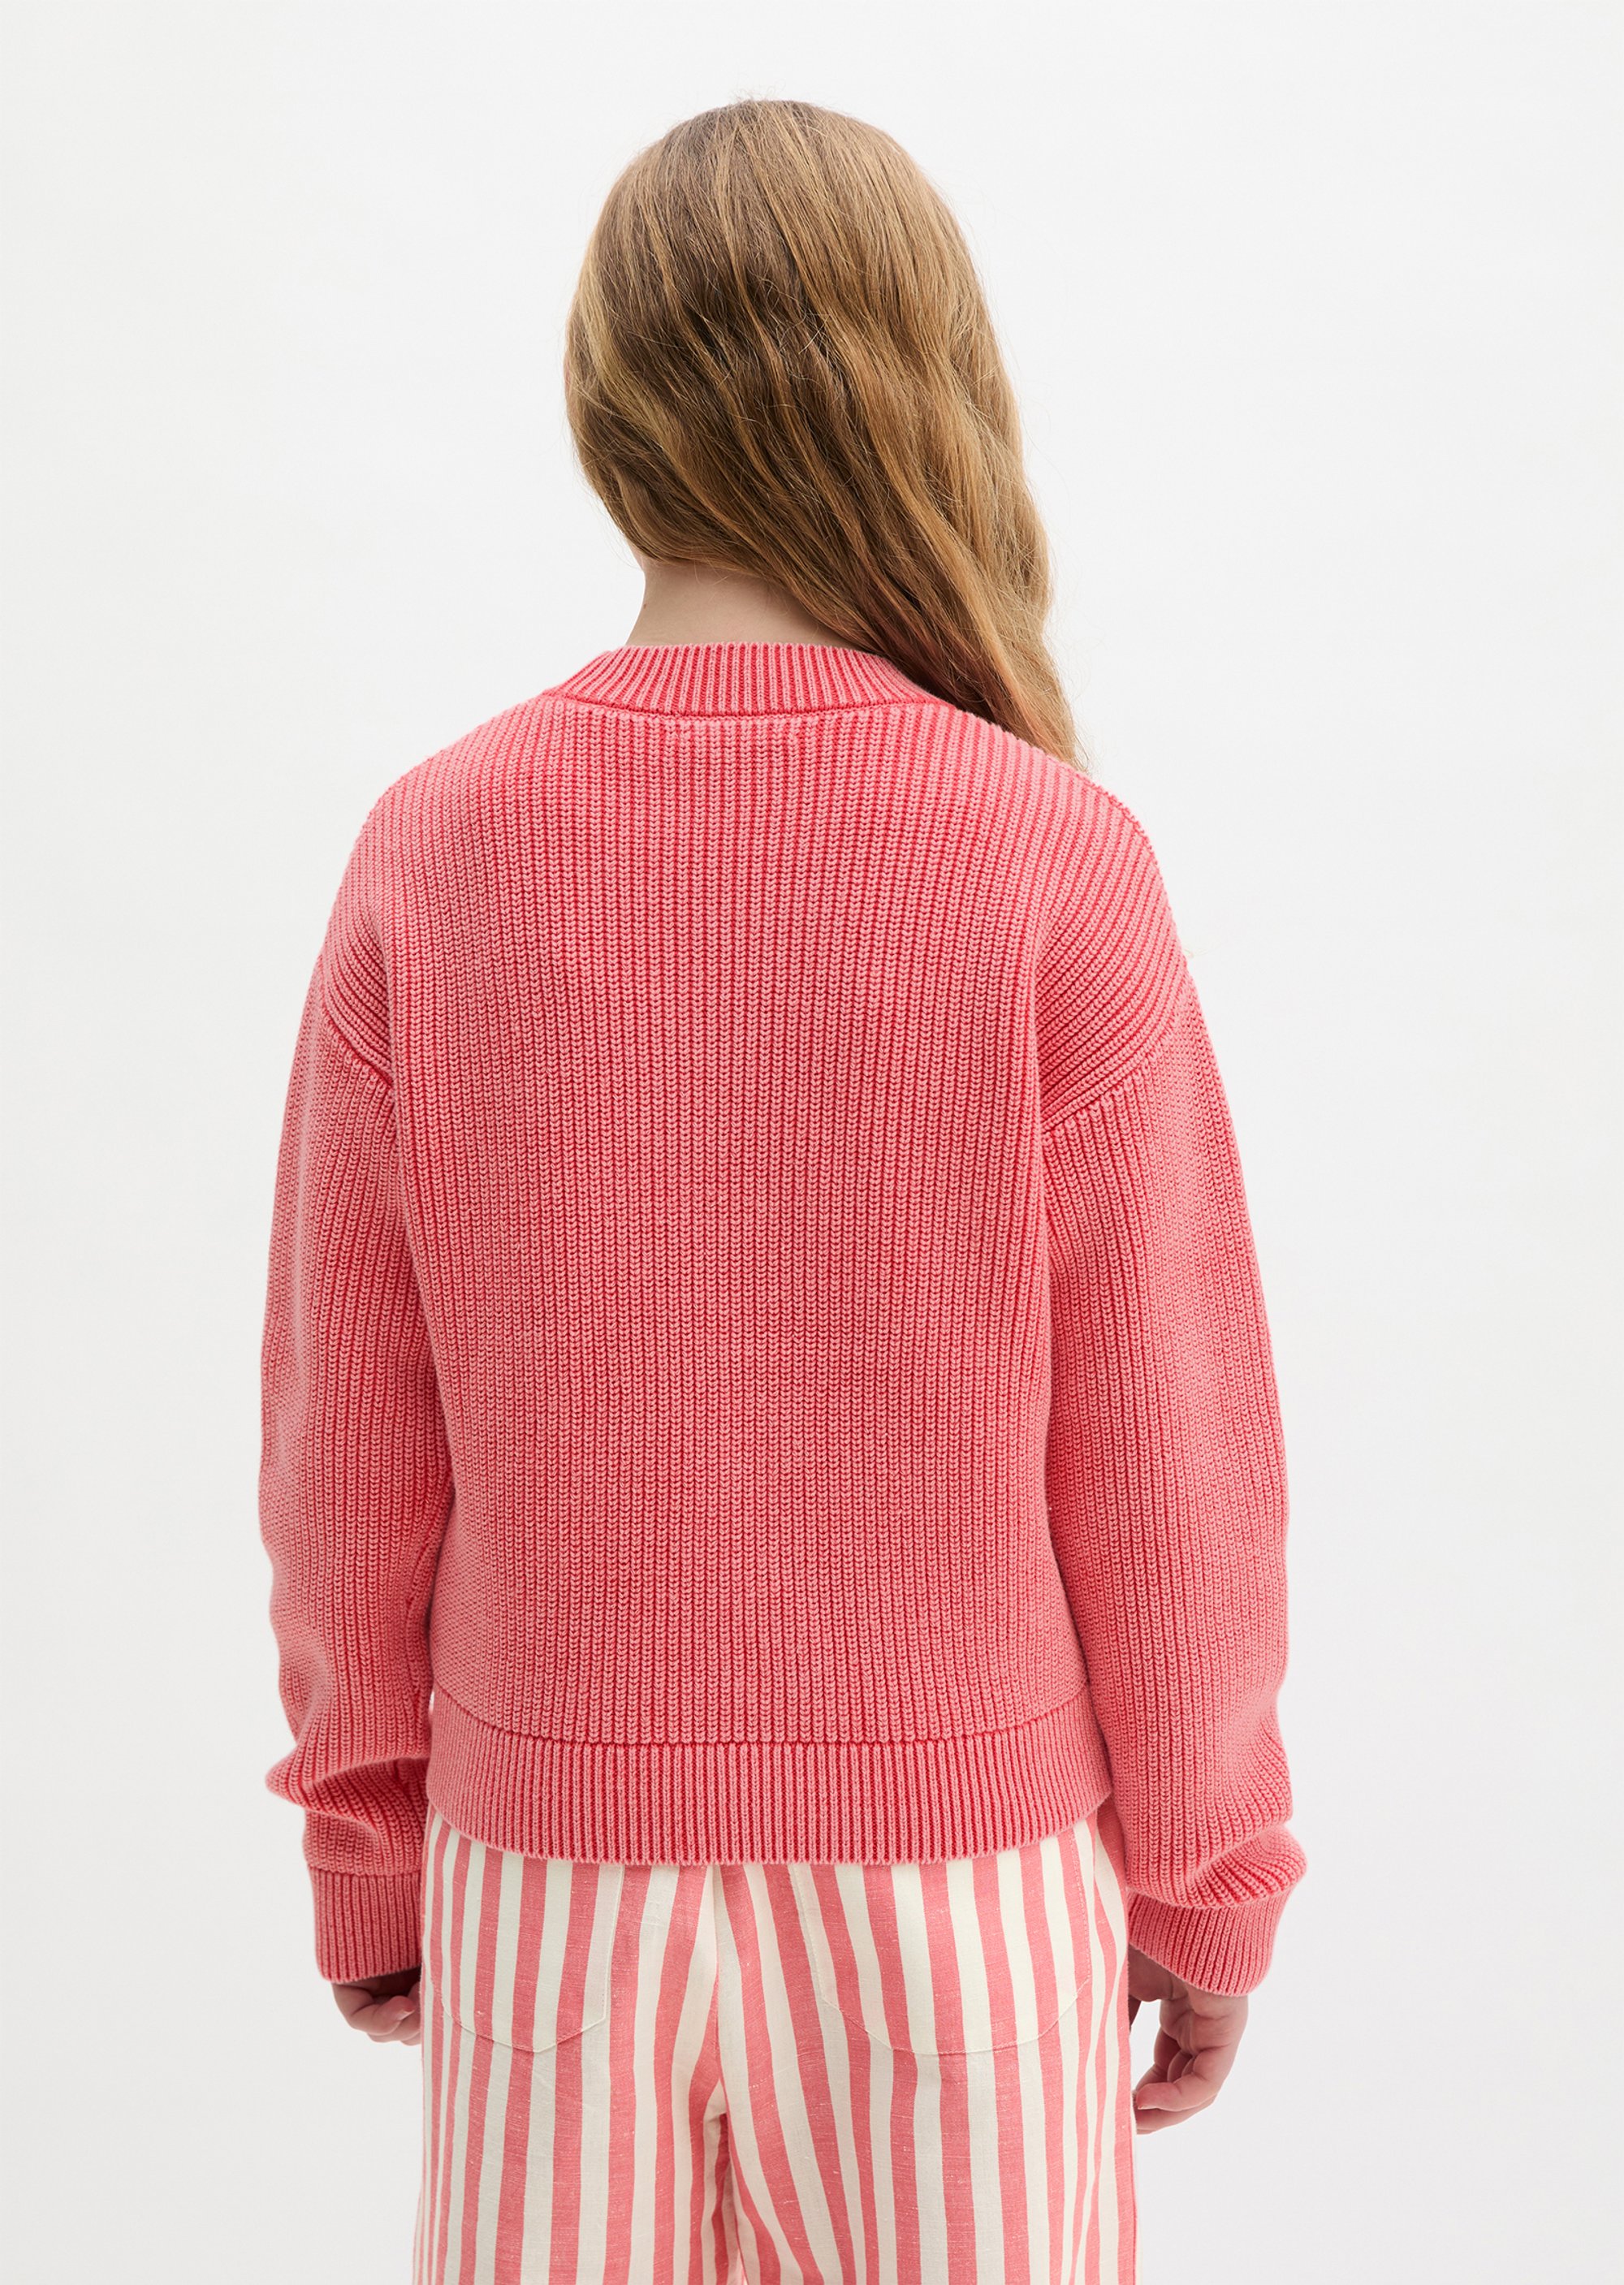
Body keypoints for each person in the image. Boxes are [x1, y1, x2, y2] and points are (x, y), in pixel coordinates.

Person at [259, 97, 1305, 2284]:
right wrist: (1208, 1877)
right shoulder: (1050, 856)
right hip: (965, 1904)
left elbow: (348, 1439)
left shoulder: (434, 849)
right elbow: (1169, 1452)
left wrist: (370, 1847)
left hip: (550, 1889)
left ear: (603, 404)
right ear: (925, 388)